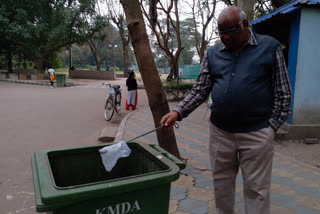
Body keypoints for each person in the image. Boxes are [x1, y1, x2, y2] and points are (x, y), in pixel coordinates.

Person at [161, 6, 291, 214]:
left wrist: (270, 128)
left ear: (245, 25)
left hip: (257, 133)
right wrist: (178, 112)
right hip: (220, 133)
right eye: (221, 33)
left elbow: (283, 93)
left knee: (257, 190)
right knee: (221, 188)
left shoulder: (269, 47)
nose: (225, 38)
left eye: (230, 31)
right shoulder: (213, 53)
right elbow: (200, 89)